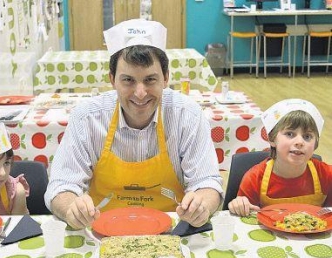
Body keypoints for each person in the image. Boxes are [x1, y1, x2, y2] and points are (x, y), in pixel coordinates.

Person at [44, 19, 223, 229]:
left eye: (150, 80)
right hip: (101, 230)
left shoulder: (187, 115)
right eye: (128, 80)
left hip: (171, 230)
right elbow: (61, 185)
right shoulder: (87, 117)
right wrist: (71, 208)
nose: (140, 93)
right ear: (112, 80)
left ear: (166, 78)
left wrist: (202, 204)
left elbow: (208, 183)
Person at [228, 99, 332, 216]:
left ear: (315, 144)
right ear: (272, 139)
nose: (299, 142)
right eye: (290, 134)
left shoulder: (327, 174)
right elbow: (242, 220)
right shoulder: (254, 179)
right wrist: (239, 205)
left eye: (307, 136)